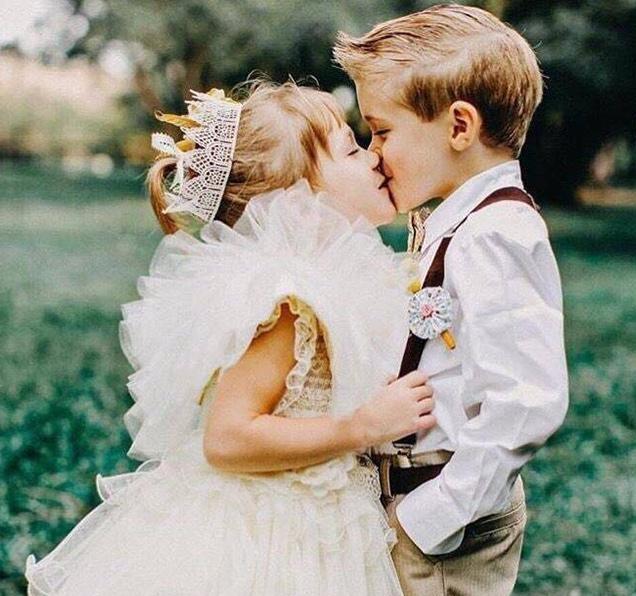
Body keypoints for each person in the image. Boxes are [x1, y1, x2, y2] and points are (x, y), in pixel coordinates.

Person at [24, 80, 437, 595]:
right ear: (299, 202)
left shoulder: (337, 280)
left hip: (317, 515)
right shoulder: (289, 304)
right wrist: (361, 426)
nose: (374, 158)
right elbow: (227, 438)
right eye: (351, 150)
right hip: (269, 533)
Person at [334, 4, 569, 595]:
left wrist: (430, 519)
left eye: (382, 131)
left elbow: (527, 402)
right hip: (419, 498)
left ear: (459, 126)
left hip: (443, 525)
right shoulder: (458, 223)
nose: (373, 152)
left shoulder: (494, 234)